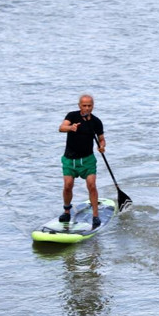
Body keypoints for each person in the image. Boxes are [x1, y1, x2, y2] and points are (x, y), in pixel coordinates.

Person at [58, 94, 106, 229]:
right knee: (68, 185)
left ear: (93, 106)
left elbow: (101, 138)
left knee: (91, 185)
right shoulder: (72, 116)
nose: (87, 108)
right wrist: (70, 128)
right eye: (84, 105)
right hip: (70, 159)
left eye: (89, 105)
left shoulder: (96, 122)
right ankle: (66, 211)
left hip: (88, 160)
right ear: (79, 105)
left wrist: (102, 146)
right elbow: (61, 127)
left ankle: (95, 216)